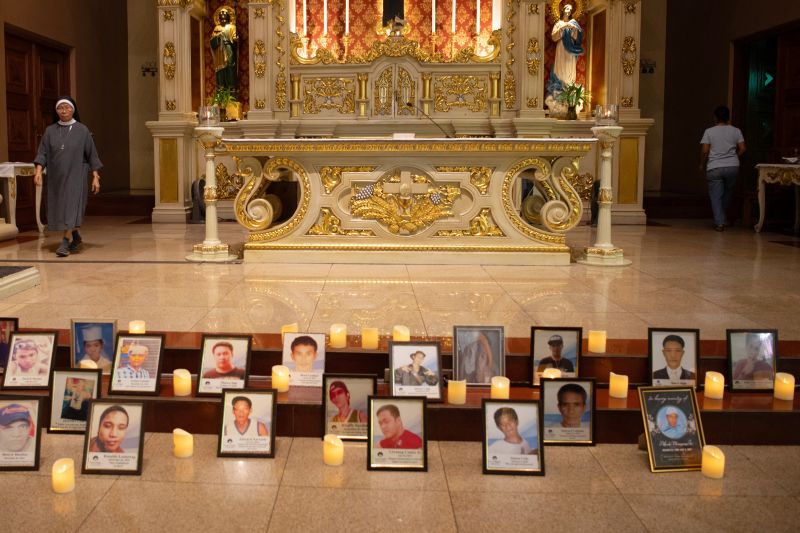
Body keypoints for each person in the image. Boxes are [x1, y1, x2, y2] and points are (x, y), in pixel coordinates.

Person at [33, 97, 103, 257]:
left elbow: (92, 154)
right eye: (60, 108)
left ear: (73, 109)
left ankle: (65, 242)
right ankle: (76, 237)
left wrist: (95, 176)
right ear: (56, 111)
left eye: (67, 107)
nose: (64, 111)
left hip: (76, 174)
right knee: (61, 208)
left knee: (71, 207)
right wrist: (38, 171)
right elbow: (42, 153)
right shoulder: (50, 131)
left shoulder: (82, 130)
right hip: (56, 177)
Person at [700, 105, 745, 231]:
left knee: (716, 196)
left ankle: (720, 222)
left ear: (715, 117)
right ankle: (722, 218)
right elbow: (742, 148)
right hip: (732, 167)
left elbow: (705, 151)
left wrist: (702, 163)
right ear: (728, 117)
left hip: (715, 167)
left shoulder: (709, 131)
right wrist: (734, 157)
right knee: (727, 194)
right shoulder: (736, 131)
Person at [548, 3, 584, 98]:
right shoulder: (558, 24)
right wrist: (563, 28)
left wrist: (574, 29)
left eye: (571, 10)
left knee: (569, 67)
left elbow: (578, 37)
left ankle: (569, 89)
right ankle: (559, 89)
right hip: (561, 48)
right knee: (561, 67)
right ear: (563, 10)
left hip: (570, 49)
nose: (569, 11)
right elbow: (554, 37)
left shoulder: (573, 23)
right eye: (567, 9)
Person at [210, 6, 238, 93]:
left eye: (224, 13)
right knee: (220, 68)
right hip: (219, 50)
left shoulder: (232, 27)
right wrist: (218, 37)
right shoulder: (217, 28)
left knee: (230, 65)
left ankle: (231, 86)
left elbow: (234, 37)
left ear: (228, 15)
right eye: (221, 13)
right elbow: (212, 41)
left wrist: (235, 39)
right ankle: (221, 87)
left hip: (228, 47)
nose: (222, 14)